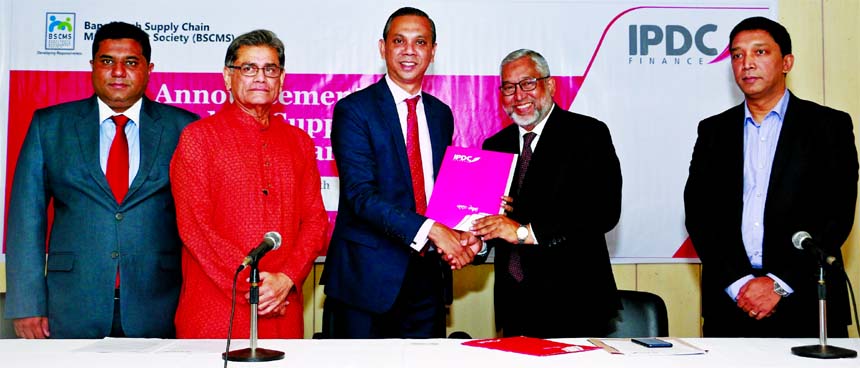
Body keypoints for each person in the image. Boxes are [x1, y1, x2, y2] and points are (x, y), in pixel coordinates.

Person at [4, 22, 199, 338]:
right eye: (108, 61)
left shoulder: (183, 128)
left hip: (161, 305)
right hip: (70, 307)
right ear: (92, 66)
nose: (118, 72)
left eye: (131, 63)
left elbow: (199, 221)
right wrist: (27, 304)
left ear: (149, 70)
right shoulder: (50, 126)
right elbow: (26, 221)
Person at [684, 16, 858, 337]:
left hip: (806, 296)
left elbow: (836, 216)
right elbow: (700, 215)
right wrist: (740, 285)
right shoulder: (713, 131)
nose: (747, 64)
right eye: (737, 55)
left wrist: (777, 285)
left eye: (760, 52)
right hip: (733, 300)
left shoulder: (828, 126)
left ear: (786, 62)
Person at [321, 7, 480, 339]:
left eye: (420, 42)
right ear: (383, 48)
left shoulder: (441, 115)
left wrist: (467, 231)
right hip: (365, 285)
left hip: (428, 283)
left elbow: (443, 194)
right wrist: (434, 230)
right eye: (399, 41)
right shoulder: (353, 110)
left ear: (433, 51)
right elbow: (361, 196)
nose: (410, 51)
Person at [169, 29, 328, 339]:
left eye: (270, 69)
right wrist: (254, 286)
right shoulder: (198, 139)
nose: (260, 77)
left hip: (281, 307)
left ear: (281, 79)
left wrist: (286, 280)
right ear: (228, 76)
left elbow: (315, 221)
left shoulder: (299, 142)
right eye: (249, 68)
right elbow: (195, 227)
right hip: (217, 309)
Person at [471, 49, 622, 338]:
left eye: (528, 83)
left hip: (575, 303)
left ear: (550, 85)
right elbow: (488, 219)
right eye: (509, 87)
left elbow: (603, 211)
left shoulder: (588, 134)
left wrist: (522, 232)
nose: (519, 95)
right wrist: (473, 241)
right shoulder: (494, 146)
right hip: (514, 302)